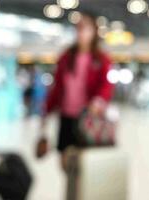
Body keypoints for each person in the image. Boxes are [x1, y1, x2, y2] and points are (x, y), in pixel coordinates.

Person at [41, 12, 114, 169]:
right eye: (79, 28)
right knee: (64, 158)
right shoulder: (66, 57)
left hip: (88, 119)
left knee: (85, 160)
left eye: (86, 28)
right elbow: (58, 87)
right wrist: (46, 111)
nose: (82, 32)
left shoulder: (101, 59)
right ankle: (71, 191)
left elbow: (106, 86)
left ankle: (82, 191)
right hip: (67, 115)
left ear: (94, 32)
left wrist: (98, 101)